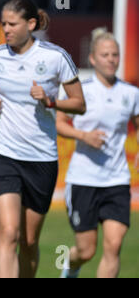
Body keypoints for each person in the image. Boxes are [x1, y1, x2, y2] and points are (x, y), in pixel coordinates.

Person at [0, 0, 86, 278]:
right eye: (4, 23)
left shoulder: (55, 57)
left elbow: (79, 104)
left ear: (31, 24)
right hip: (2, 154)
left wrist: (50, 101)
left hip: (41, 159)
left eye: (12, 24)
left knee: (29, 241)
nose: (6, 29)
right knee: (9, 233)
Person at [57, 28, 139, 278]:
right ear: (93, 59)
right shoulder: (80, 90)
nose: (111, 59)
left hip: (116, 179)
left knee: (113, 246)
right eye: (105, 55)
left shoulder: (131, 93)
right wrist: (84, 136)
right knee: (86, 250)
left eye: (115, 54)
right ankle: (69, 269)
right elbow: (59, 123)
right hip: (83, 180)